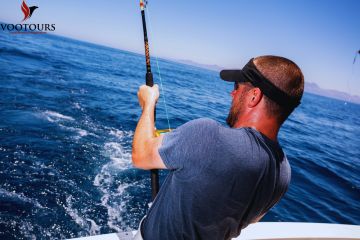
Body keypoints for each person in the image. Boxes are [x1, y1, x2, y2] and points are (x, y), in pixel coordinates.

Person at [132, 55, 304, 240]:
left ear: (254, 96)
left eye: (237, 87)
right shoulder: (283, 173)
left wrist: (148, 102)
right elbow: (252, 219)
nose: (232, 94)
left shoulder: (208, 134)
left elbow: (140, 156)